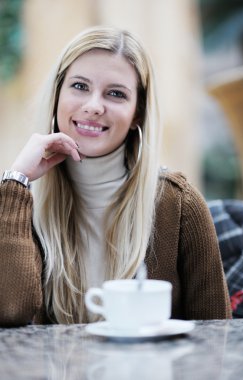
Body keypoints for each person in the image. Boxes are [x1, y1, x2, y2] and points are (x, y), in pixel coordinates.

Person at [0, 26, 231, 326]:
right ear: (57, 95)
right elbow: (8, 312)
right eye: (80, 86)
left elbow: (218, 342)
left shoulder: (179, 206)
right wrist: (16, 180)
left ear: (137, 113)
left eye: (116, 94)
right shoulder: (20, 205)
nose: (94, 106)